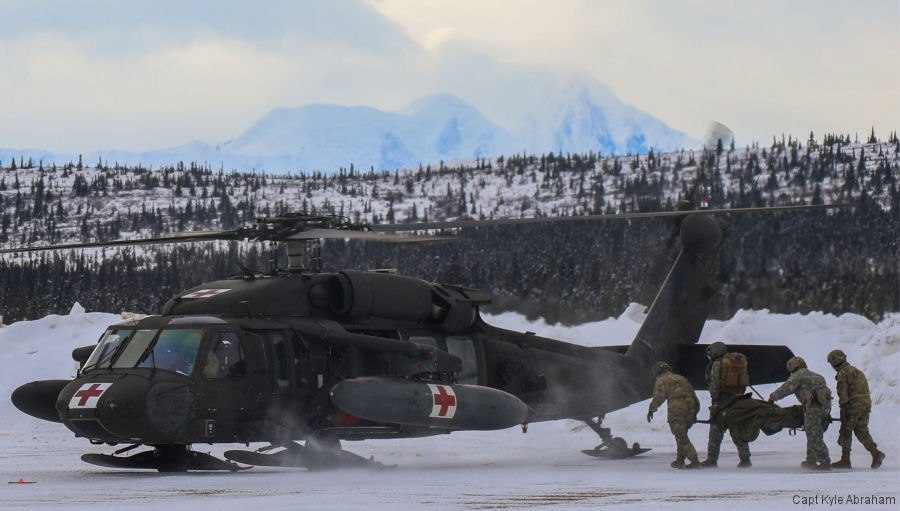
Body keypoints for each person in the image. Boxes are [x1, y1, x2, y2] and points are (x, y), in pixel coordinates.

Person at [768, 356, 832, 471]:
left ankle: (825, 463)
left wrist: (773, 397)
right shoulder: (818, 376)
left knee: (813, 435)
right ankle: (811, 460)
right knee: (814, 432)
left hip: (813, 408)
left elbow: (786, 389)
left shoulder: (798, 376)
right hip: (825, 408)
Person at [827, 349, 885, 469]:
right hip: (866, 403)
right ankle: (875, 453)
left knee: (846, 430)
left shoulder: (842, 374)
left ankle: (845, 460)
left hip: (853, 405)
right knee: (861, 430)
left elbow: (843, 395)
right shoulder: (857, 371)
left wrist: (843, 411)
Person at [701, 341, 752, 468]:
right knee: (737, 430)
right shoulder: (736, 363)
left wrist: (715, 399)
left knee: (715, 431)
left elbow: (714, 386)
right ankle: (745, 459)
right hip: (736, 401)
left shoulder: (717, 365)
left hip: (721, 403)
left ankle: (711, 460)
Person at [647, 361, 701, 469]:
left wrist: (651, 409)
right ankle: (680, 460)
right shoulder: (681, 378)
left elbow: (659, 397)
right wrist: (694, 412)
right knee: (681, 434)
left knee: (681, 436)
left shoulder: (662, 381)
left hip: (677, 410)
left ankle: (695, 461)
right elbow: (693, 394)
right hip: (691, 407)